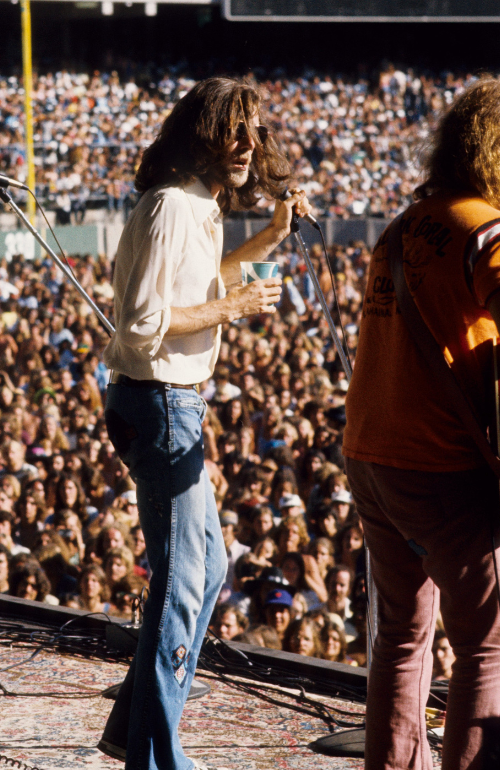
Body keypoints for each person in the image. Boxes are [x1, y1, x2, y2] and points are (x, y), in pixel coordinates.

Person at [343, 78, 500, 770]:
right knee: (488, 642)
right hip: (439, 465)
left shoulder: (401, 228)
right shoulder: (494, 230)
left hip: (371, 455)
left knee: (402, 636)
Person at [97, 76, 312, 770]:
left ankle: (134, 732)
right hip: (158, 397)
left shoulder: (199, 207)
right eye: (235, 130)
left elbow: (195, 280)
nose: (250, 145)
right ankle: (156, 757)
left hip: (172, 401)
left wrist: (269, 240)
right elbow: (140, 324)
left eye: (255, 130)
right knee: (187, 575)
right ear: (202, 134)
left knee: (199, 565)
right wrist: (233, 308)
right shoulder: (169, 206)